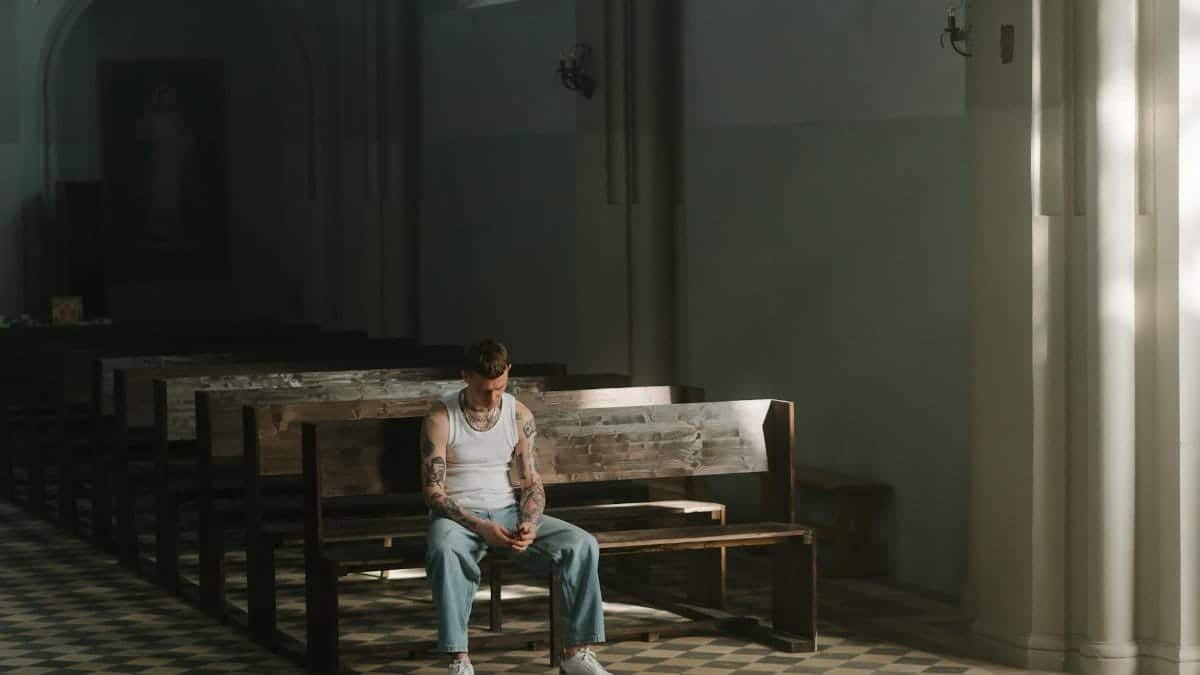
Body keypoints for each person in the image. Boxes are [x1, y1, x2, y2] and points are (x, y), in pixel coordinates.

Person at [421, 339, 611, 675]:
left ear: (508, 372)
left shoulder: (518, 414)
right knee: (444, 550)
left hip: (507, 511)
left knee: (582, 544)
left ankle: (576, 654)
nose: (493, 398)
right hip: (459, 516)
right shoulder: (441, 416)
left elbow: (531, 480)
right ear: (465, 377)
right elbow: (434, 492)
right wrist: (480, 527)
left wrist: (530, 523)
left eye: (500, 387)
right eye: (484, 391)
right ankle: (458, 659)